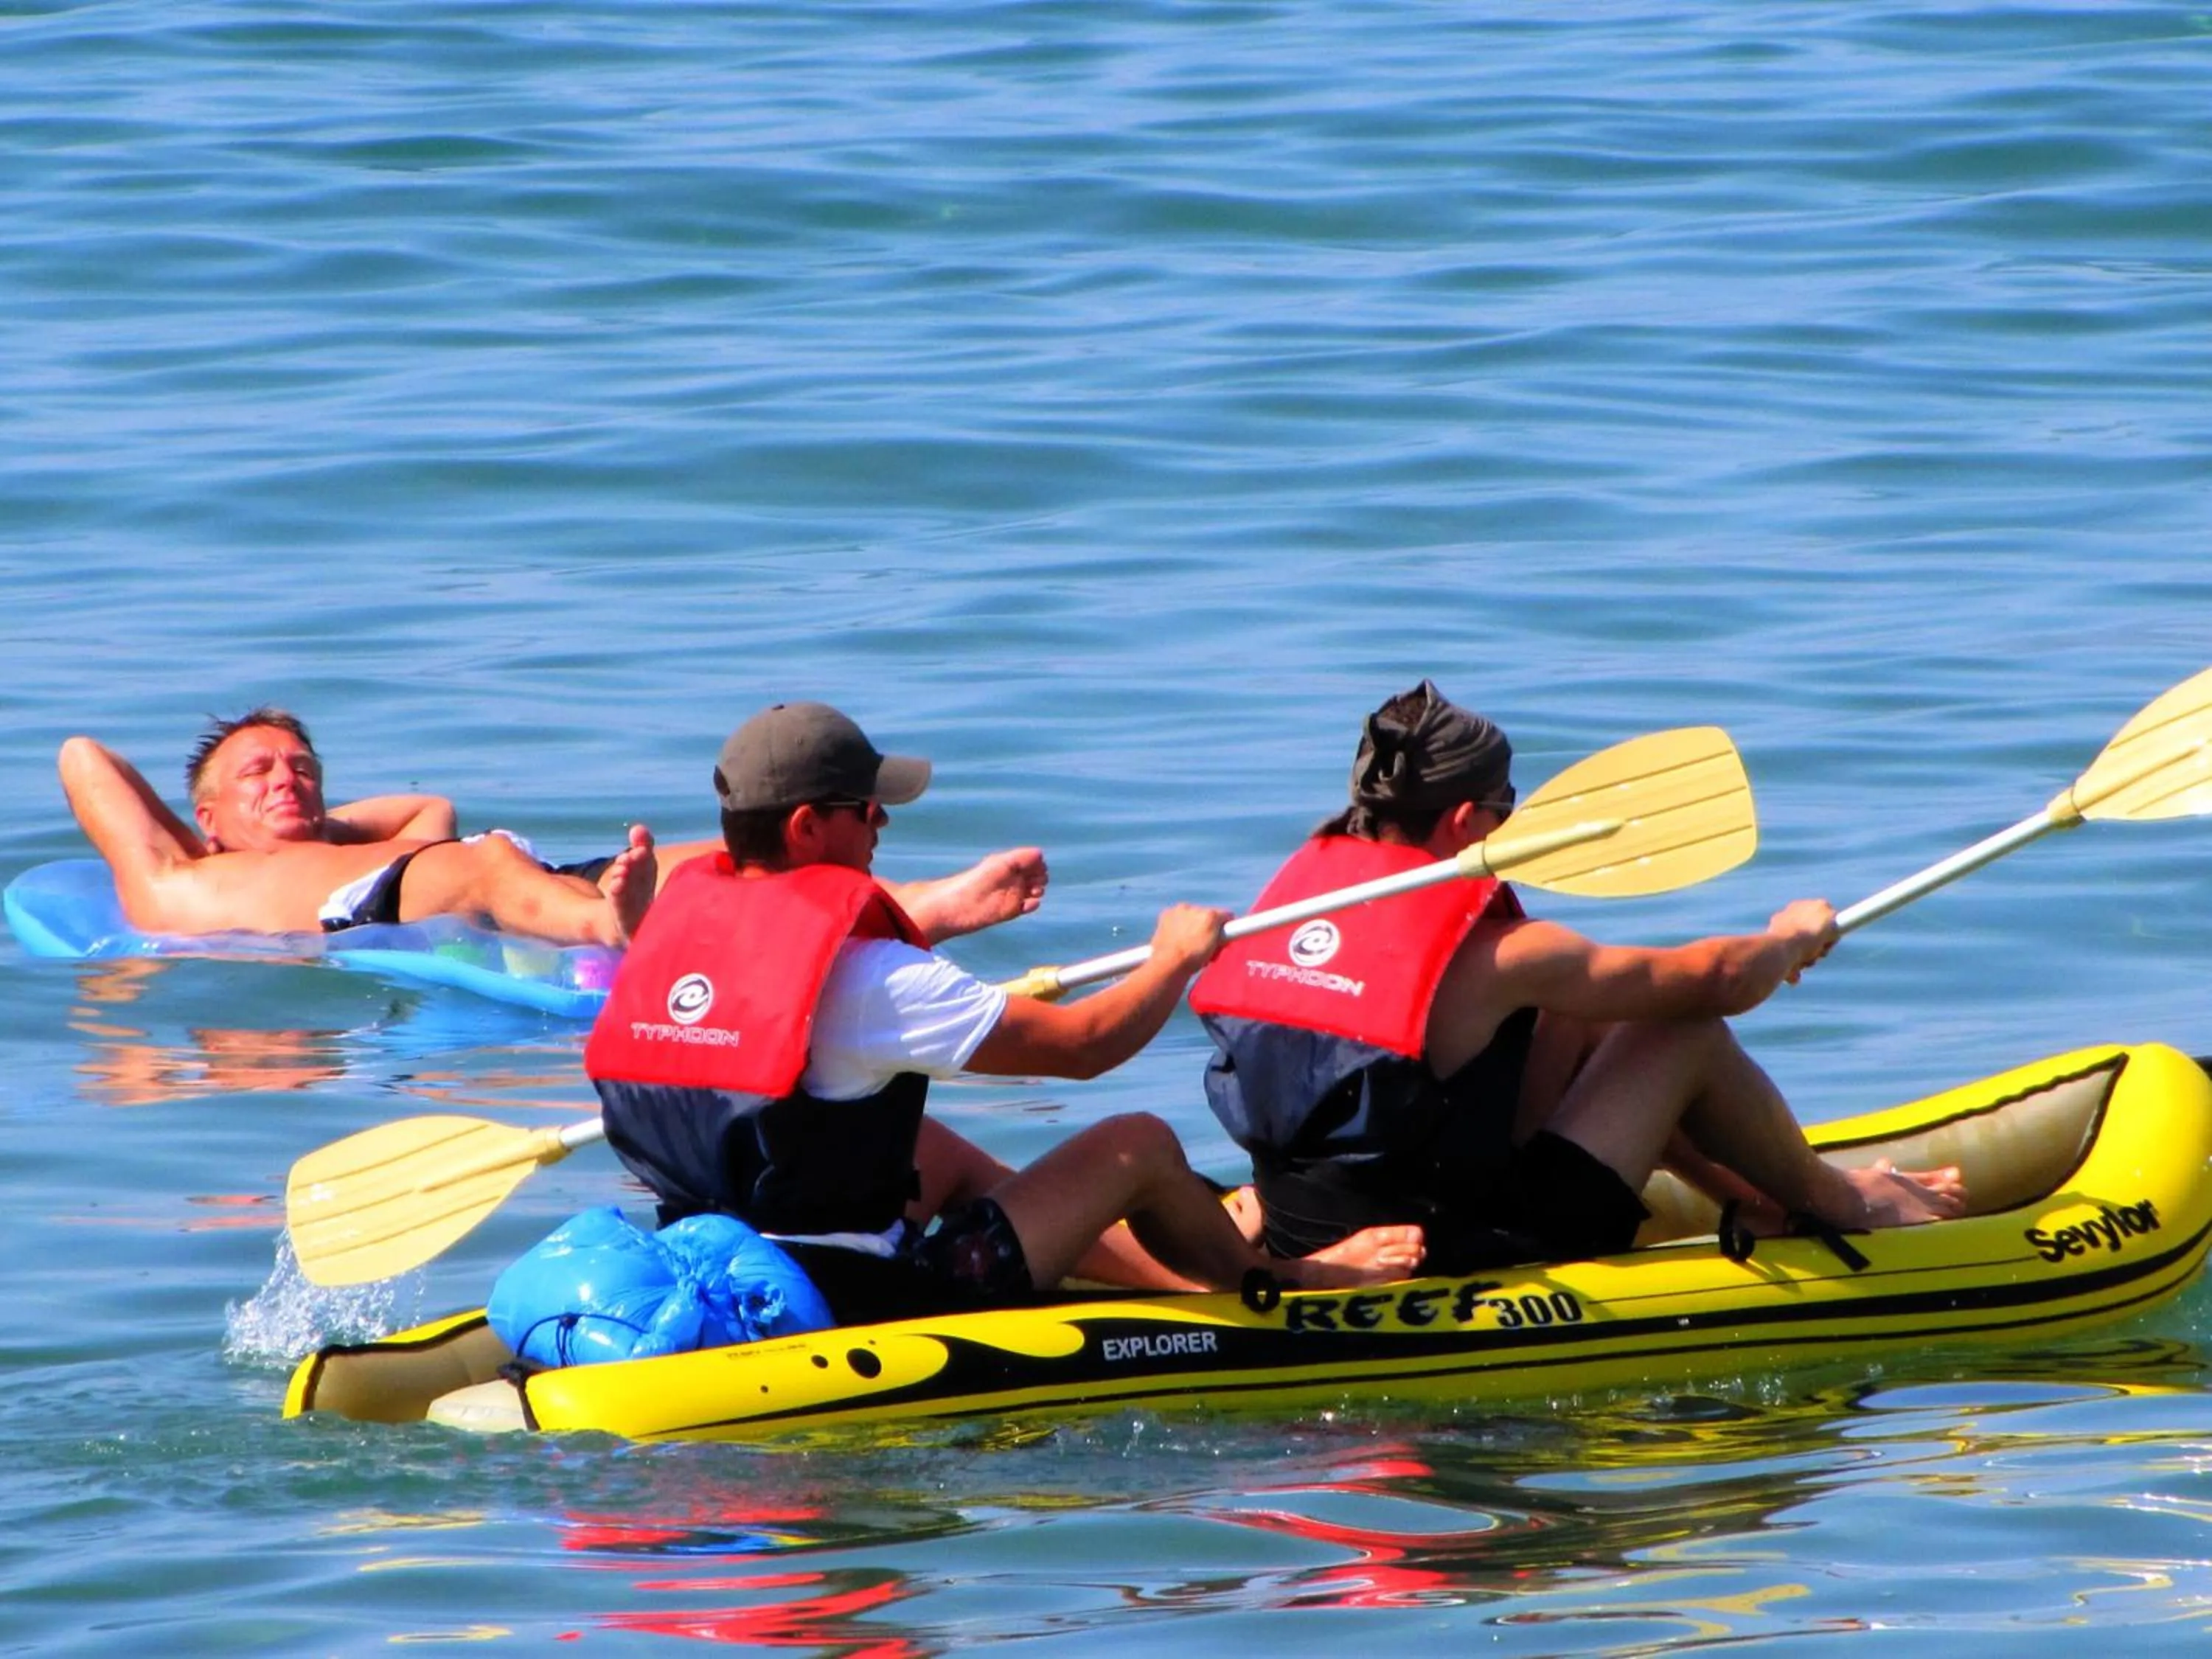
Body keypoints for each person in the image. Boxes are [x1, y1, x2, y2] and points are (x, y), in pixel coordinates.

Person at [585, 700, 1425, 1325]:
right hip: (859, 1299)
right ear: (807, 827)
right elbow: (1088, 1046)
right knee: (1136, 1144)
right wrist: (1175, 958)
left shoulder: (673, 941)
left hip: (720, 1259)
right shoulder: (871, 977)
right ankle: (1287, 1283)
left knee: (924, 1147)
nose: (881, 822)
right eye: (864, 808)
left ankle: (1181, 1264)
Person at [1189, 679, 1965, 1276]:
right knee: (1683, 1035)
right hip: (1451, 1253)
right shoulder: (1510, 956)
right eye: (1507, 806)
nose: (1515, 823)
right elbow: (1718, 982)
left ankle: (1743, 1196)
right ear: (1464, 823)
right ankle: (1842, 1201)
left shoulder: (1296, 911)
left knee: (1574, 1016)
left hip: (1314, 1230)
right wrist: (1788, 938)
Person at [55, 711, 1046, 950]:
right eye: (258, 772)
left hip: (456, 876)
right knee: (491, 863)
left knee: (724, 859)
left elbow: (424, 810)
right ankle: (608, 924)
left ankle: (920, 904)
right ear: (203, 816)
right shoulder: (178, 882)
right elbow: (81, 757)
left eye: (303, 767)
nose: (289, 779)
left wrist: (310, 822)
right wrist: (243, 841)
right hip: (414, 893)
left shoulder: (340, 836)